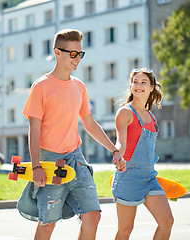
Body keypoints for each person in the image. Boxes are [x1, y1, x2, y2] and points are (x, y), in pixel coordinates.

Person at [22, 29, 126, 240]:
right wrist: (36, 166)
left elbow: (89, 123)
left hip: (76, 159)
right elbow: (33, 129)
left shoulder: (79, 86)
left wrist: (114, 150)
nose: (77, 59)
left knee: (93, 215)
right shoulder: (41, 86)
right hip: (50, 162)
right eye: (72, 54)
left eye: (80, 54)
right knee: (47, 222)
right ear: (57, 52)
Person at [111, 68, 174, 240]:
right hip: (128, 175)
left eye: (143, 82)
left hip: (149, 177)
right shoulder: (125, 112)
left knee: (167, 221)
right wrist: (118, 155)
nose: (138, 85)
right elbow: (121, 141)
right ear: (131, 86)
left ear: (152, 87)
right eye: (135, 82)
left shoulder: (151, 117)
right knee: (125, 230)